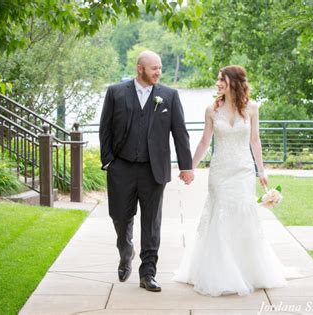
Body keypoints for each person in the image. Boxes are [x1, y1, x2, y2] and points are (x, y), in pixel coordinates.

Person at [173, 65, 288, 296]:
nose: (218, 83)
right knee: (220, 215)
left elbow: (255, 141)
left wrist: (261, 170)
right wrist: (190, 167)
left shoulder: (253, 108)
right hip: (220, 172)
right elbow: (205, 142)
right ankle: (220, 271)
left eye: (221, 79)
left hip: (243, 171)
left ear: (234, 82)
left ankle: (246, 269)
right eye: (218, 79)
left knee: (244, 214)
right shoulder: (211, 110)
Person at [99, 50, 194, 292]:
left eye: (160, 68)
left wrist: (186, 166)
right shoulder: (116, 92)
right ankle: (125, 249)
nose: (158, 72)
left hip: (154, 170)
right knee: (120, 216)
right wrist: (109, 161)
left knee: (151, 223)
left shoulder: (169, 96)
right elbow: (105, 129)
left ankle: (148, 273)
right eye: (154, 68)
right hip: (121, 167)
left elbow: (180, 132)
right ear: (140, 68)